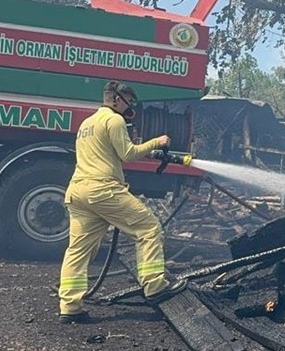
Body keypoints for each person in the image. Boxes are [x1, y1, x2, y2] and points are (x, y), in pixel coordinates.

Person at [57, 81, 187, 323]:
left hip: (78, 191)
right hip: (103, 190)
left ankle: (70, 307)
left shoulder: (87, 124)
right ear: (116, 99)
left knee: (78, 251)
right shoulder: (114, 120)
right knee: (148, 228)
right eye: (129, 101)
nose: (131, 106)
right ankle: (154, 285)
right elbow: (127, 154)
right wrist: (156, 142)